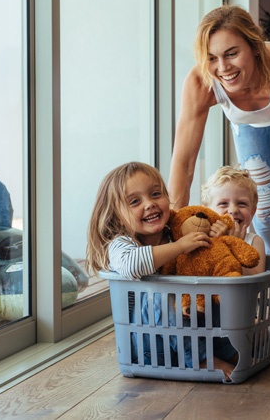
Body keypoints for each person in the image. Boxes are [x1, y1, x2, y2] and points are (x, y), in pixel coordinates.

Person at [168, 4, 270, 301]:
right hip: (250, 118)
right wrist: (172, 229)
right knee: (263, 202)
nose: (223, 68)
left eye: (232, 53)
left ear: (254, 47)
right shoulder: (201, 81)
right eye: (212, 58)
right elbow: (184, 162)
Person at [85, 161, 238, 379]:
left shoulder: (176, 233)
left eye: (156, 194)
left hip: (190, 335)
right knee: (159, 294)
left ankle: (229, 351)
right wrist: (180, 247)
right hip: (150, 346)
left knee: (208, 294)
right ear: (116, 215)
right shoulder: (121, 244)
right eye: (135, 201)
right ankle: (203, 359)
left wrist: (216, 237)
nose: (149, 204)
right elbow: (132, 265)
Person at [201, 165, 266, 275]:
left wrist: (233, 245)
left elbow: (256, 278)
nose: (233, 210)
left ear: (253, 211)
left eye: (242, 203)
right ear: (208, 211)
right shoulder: (202, 237)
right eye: (223, 204)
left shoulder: (254, 241)